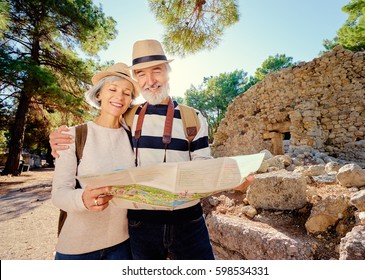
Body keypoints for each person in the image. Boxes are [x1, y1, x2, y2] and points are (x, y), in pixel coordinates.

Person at [50, 40, 254, 260]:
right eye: (141, 74)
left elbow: (203, 166)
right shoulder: (129, 117)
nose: (150, 81)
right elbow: (101, 130)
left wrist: (228, 180)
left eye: (156, 71)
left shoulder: (193, 117)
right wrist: (59, 139)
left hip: (188, 220)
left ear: (168, 71)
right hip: (141, 223)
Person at [51, 63, 138, 260]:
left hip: (123, 246)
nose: (119, 97)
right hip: (77, 248)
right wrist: (82, 199)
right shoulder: (74, 135)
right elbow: (58, 194)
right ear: (99, 94)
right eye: (113, 89)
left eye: (127, 93)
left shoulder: (133, 138)